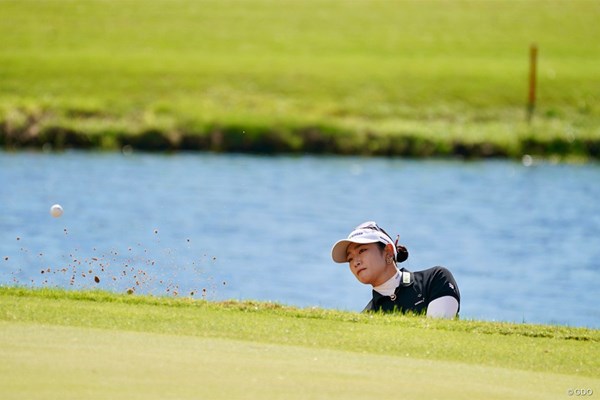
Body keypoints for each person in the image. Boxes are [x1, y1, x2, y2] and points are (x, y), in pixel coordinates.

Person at [331, 221, 460, 318]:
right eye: (350, 259)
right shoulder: (367, 317)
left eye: (362, 250)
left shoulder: (434, 279)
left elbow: (435, 335)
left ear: (388, 251)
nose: (356, 262)